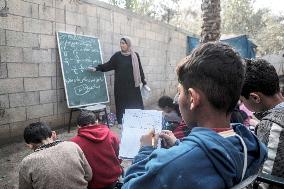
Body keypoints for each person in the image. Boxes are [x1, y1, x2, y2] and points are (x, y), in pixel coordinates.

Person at [122, 42, 267, 189]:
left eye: (179, 92)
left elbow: (129, 186)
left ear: (192, 98)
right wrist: (180, 145)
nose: (177, 99)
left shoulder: (172, 164)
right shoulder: (248, 143)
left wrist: (147, 149)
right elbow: (208, 160)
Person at [241, 58, 284, 188]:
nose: (243, 104)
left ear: (255, 97)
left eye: (242, 100)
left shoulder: (272, 126)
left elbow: (265, 184)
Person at [88, 37, 148, 125]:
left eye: (123, 43)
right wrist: (97, 68)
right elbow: (108, 65)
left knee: (135, 104)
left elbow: (140, 69)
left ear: (128, 44)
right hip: (120, 86)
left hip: (133, 86)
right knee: (121, 104)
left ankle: (137, 121)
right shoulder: (117, 56)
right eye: (121, 43)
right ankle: (121, 121)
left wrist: (144, 82)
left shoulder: (135, 55)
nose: (121, 45)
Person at [19, 122, 92, 189]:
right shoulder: (73, 146)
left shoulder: (27, 162)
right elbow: (88, 176)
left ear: (29, 145)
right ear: (53, 134)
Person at [70, 110, 122, 189]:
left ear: (78, 126)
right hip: (113, 179)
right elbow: (119, 157)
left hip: (92, 184)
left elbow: (75, 168)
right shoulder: (112, 135)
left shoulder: (73, 143)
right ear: (97, 121)